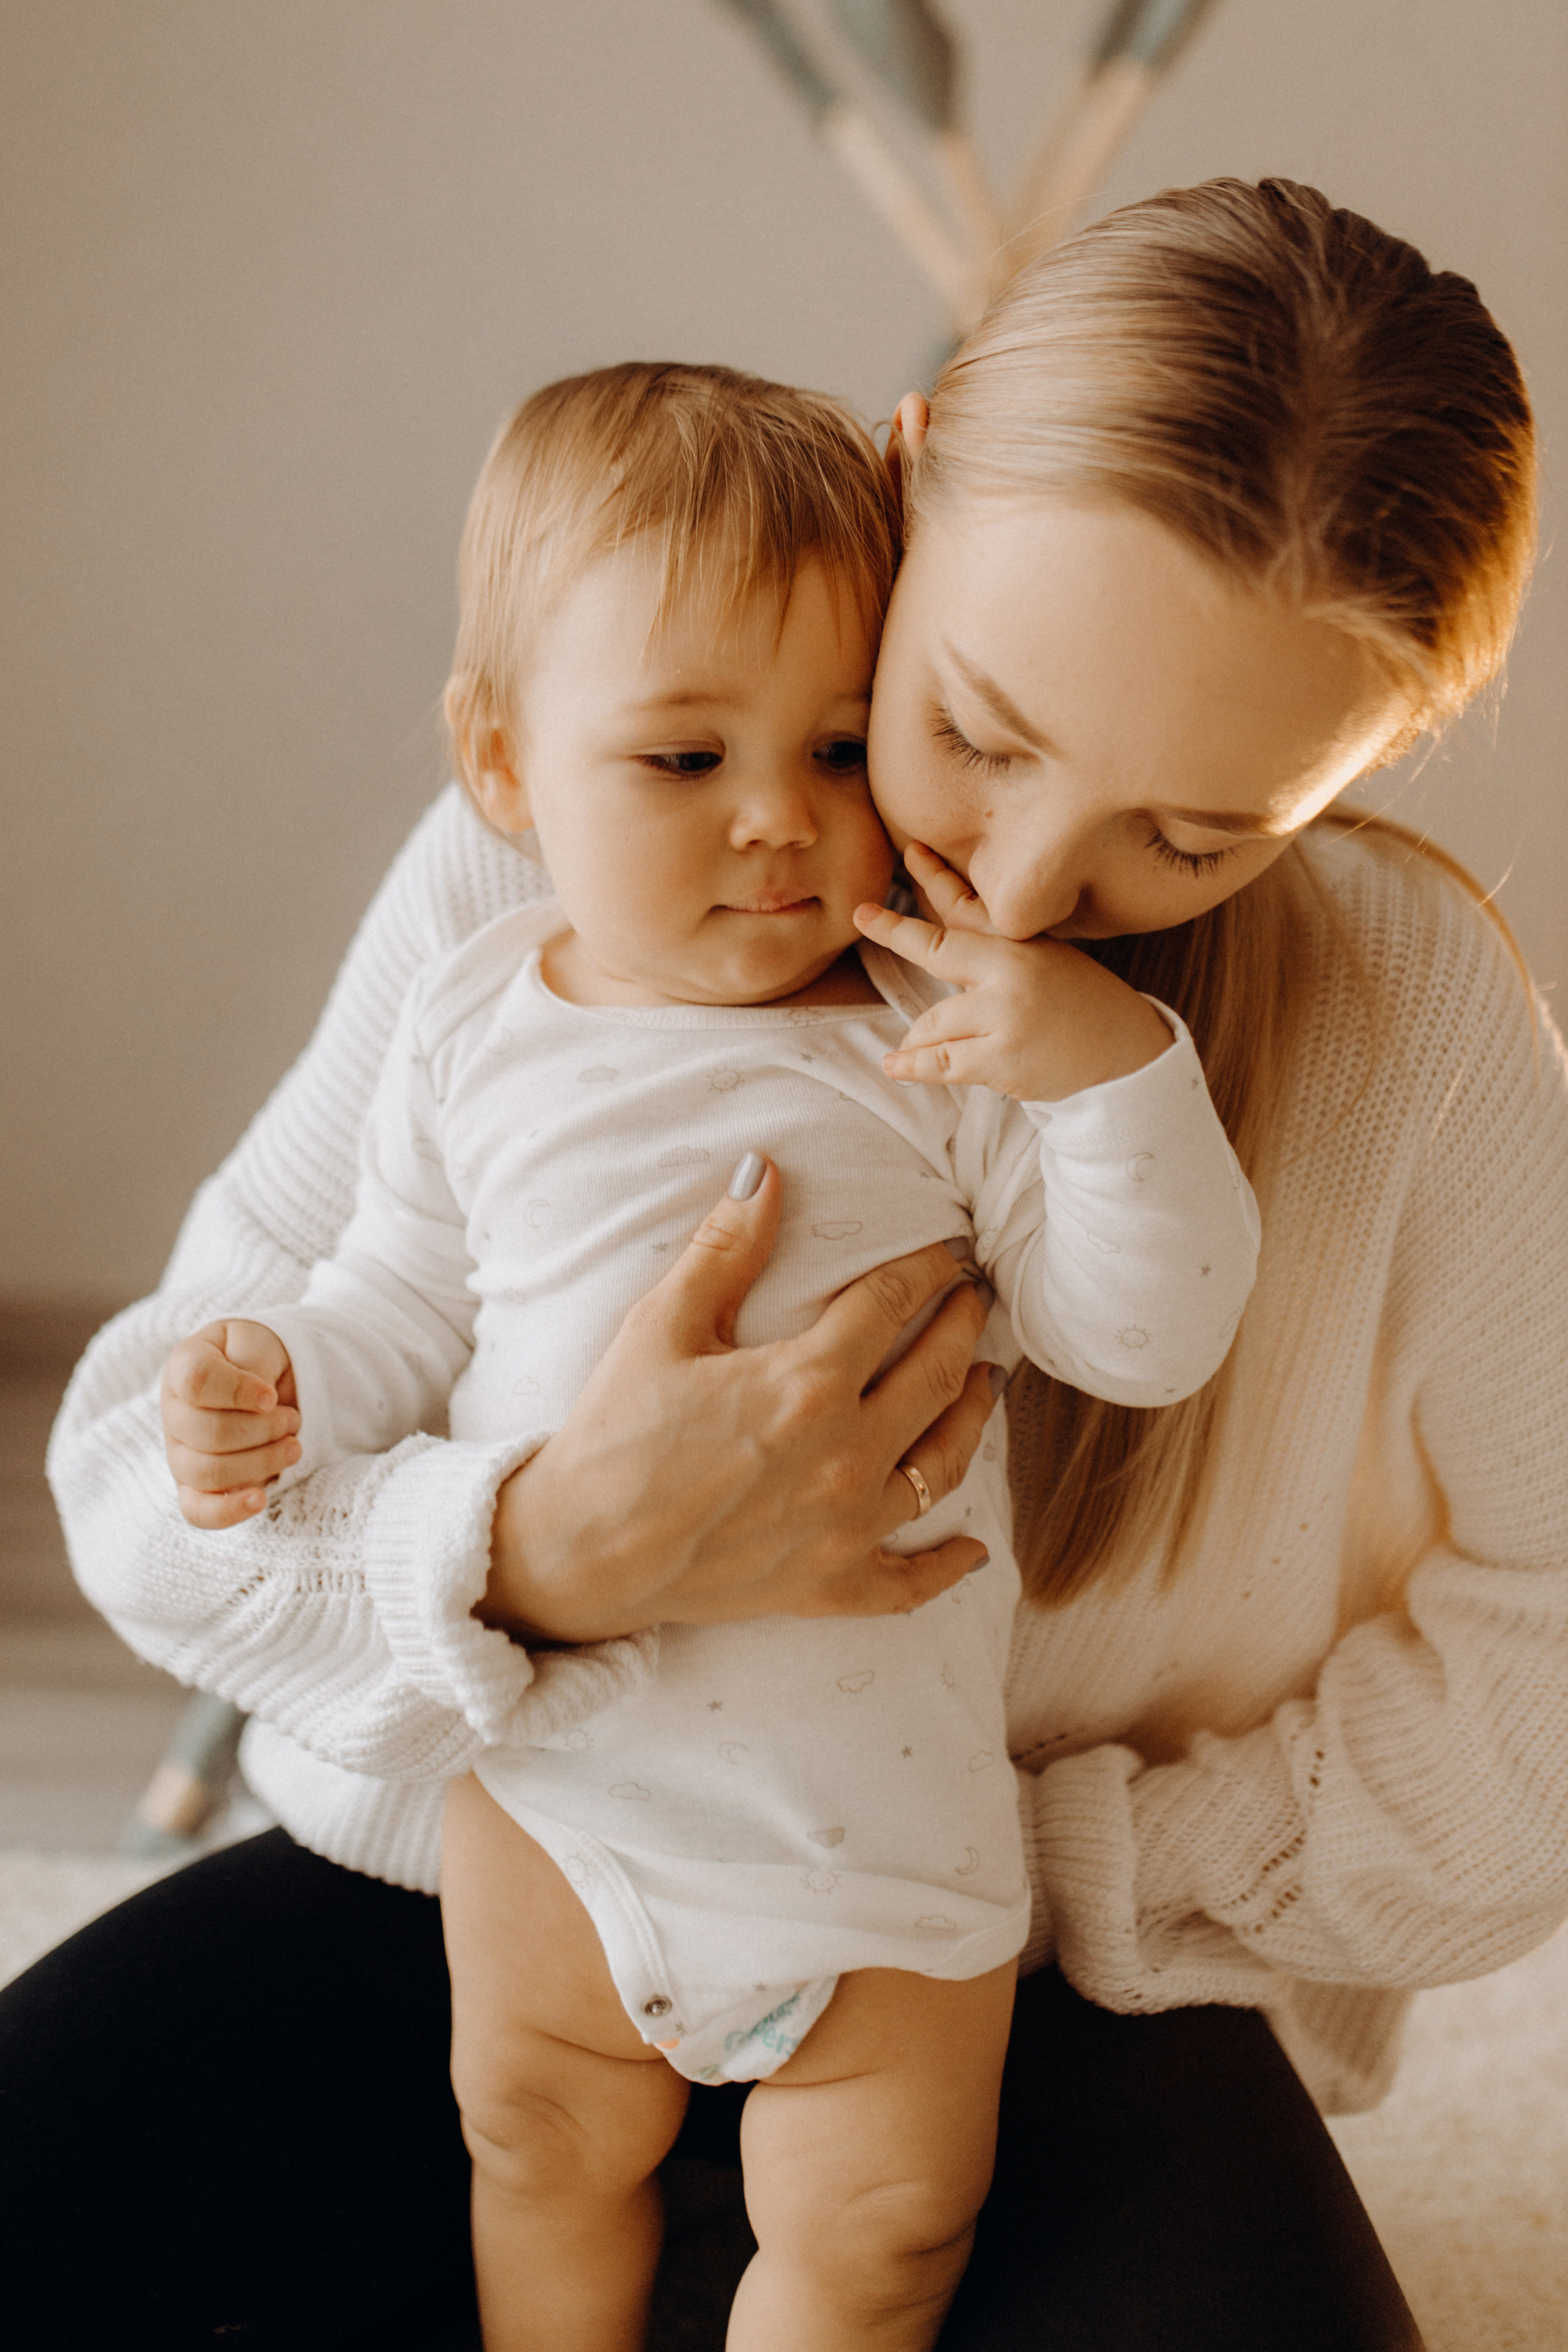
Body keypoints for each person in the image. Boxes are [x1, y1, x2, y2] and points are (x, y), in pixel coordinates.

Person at [10, 178, 1562, 2351]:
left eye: (1191, 838)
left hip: (1015, 2006)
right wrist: (532, 1555)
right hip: (513, 1890)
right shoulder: (599, 823)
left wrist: (1060, 1873)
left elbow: (1549, 1667)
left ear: (1359, 766)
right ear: (912, 469)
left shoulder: (1416, 1020)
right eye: (982, 734)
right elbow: (144, 1473)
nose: (1018, 883)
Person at [156, 362, 1259, 2352]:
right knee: (535, 2135)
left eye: (844, 744)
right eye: (682, 761)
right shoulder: (476, 1016)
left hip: (883, 1820)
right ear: (504, 769)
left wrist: (1108, 1079)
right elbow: (405, 1297)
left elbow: (1143, 1332)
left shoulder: (939, 1029)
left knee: (885, 2226)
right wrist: (283, 1381)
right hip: (568, 1790)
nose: (779, 820)